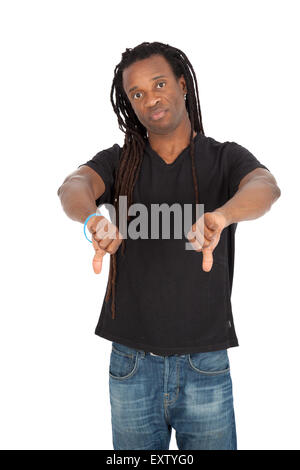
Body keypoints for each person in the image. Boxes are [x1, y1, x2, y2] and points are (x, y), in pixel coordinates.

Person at [57, 41, 281, 450]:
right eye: (136, 93)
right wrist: (92, 219)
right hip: (131, 364)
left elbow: (265, 187)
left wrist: (221, 217)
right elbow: (74, 185)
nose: (150, 99)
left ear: (182, 84)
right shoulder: (120, 161)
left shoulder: (224, 158)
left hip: (206, 364)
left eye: (158, 84)